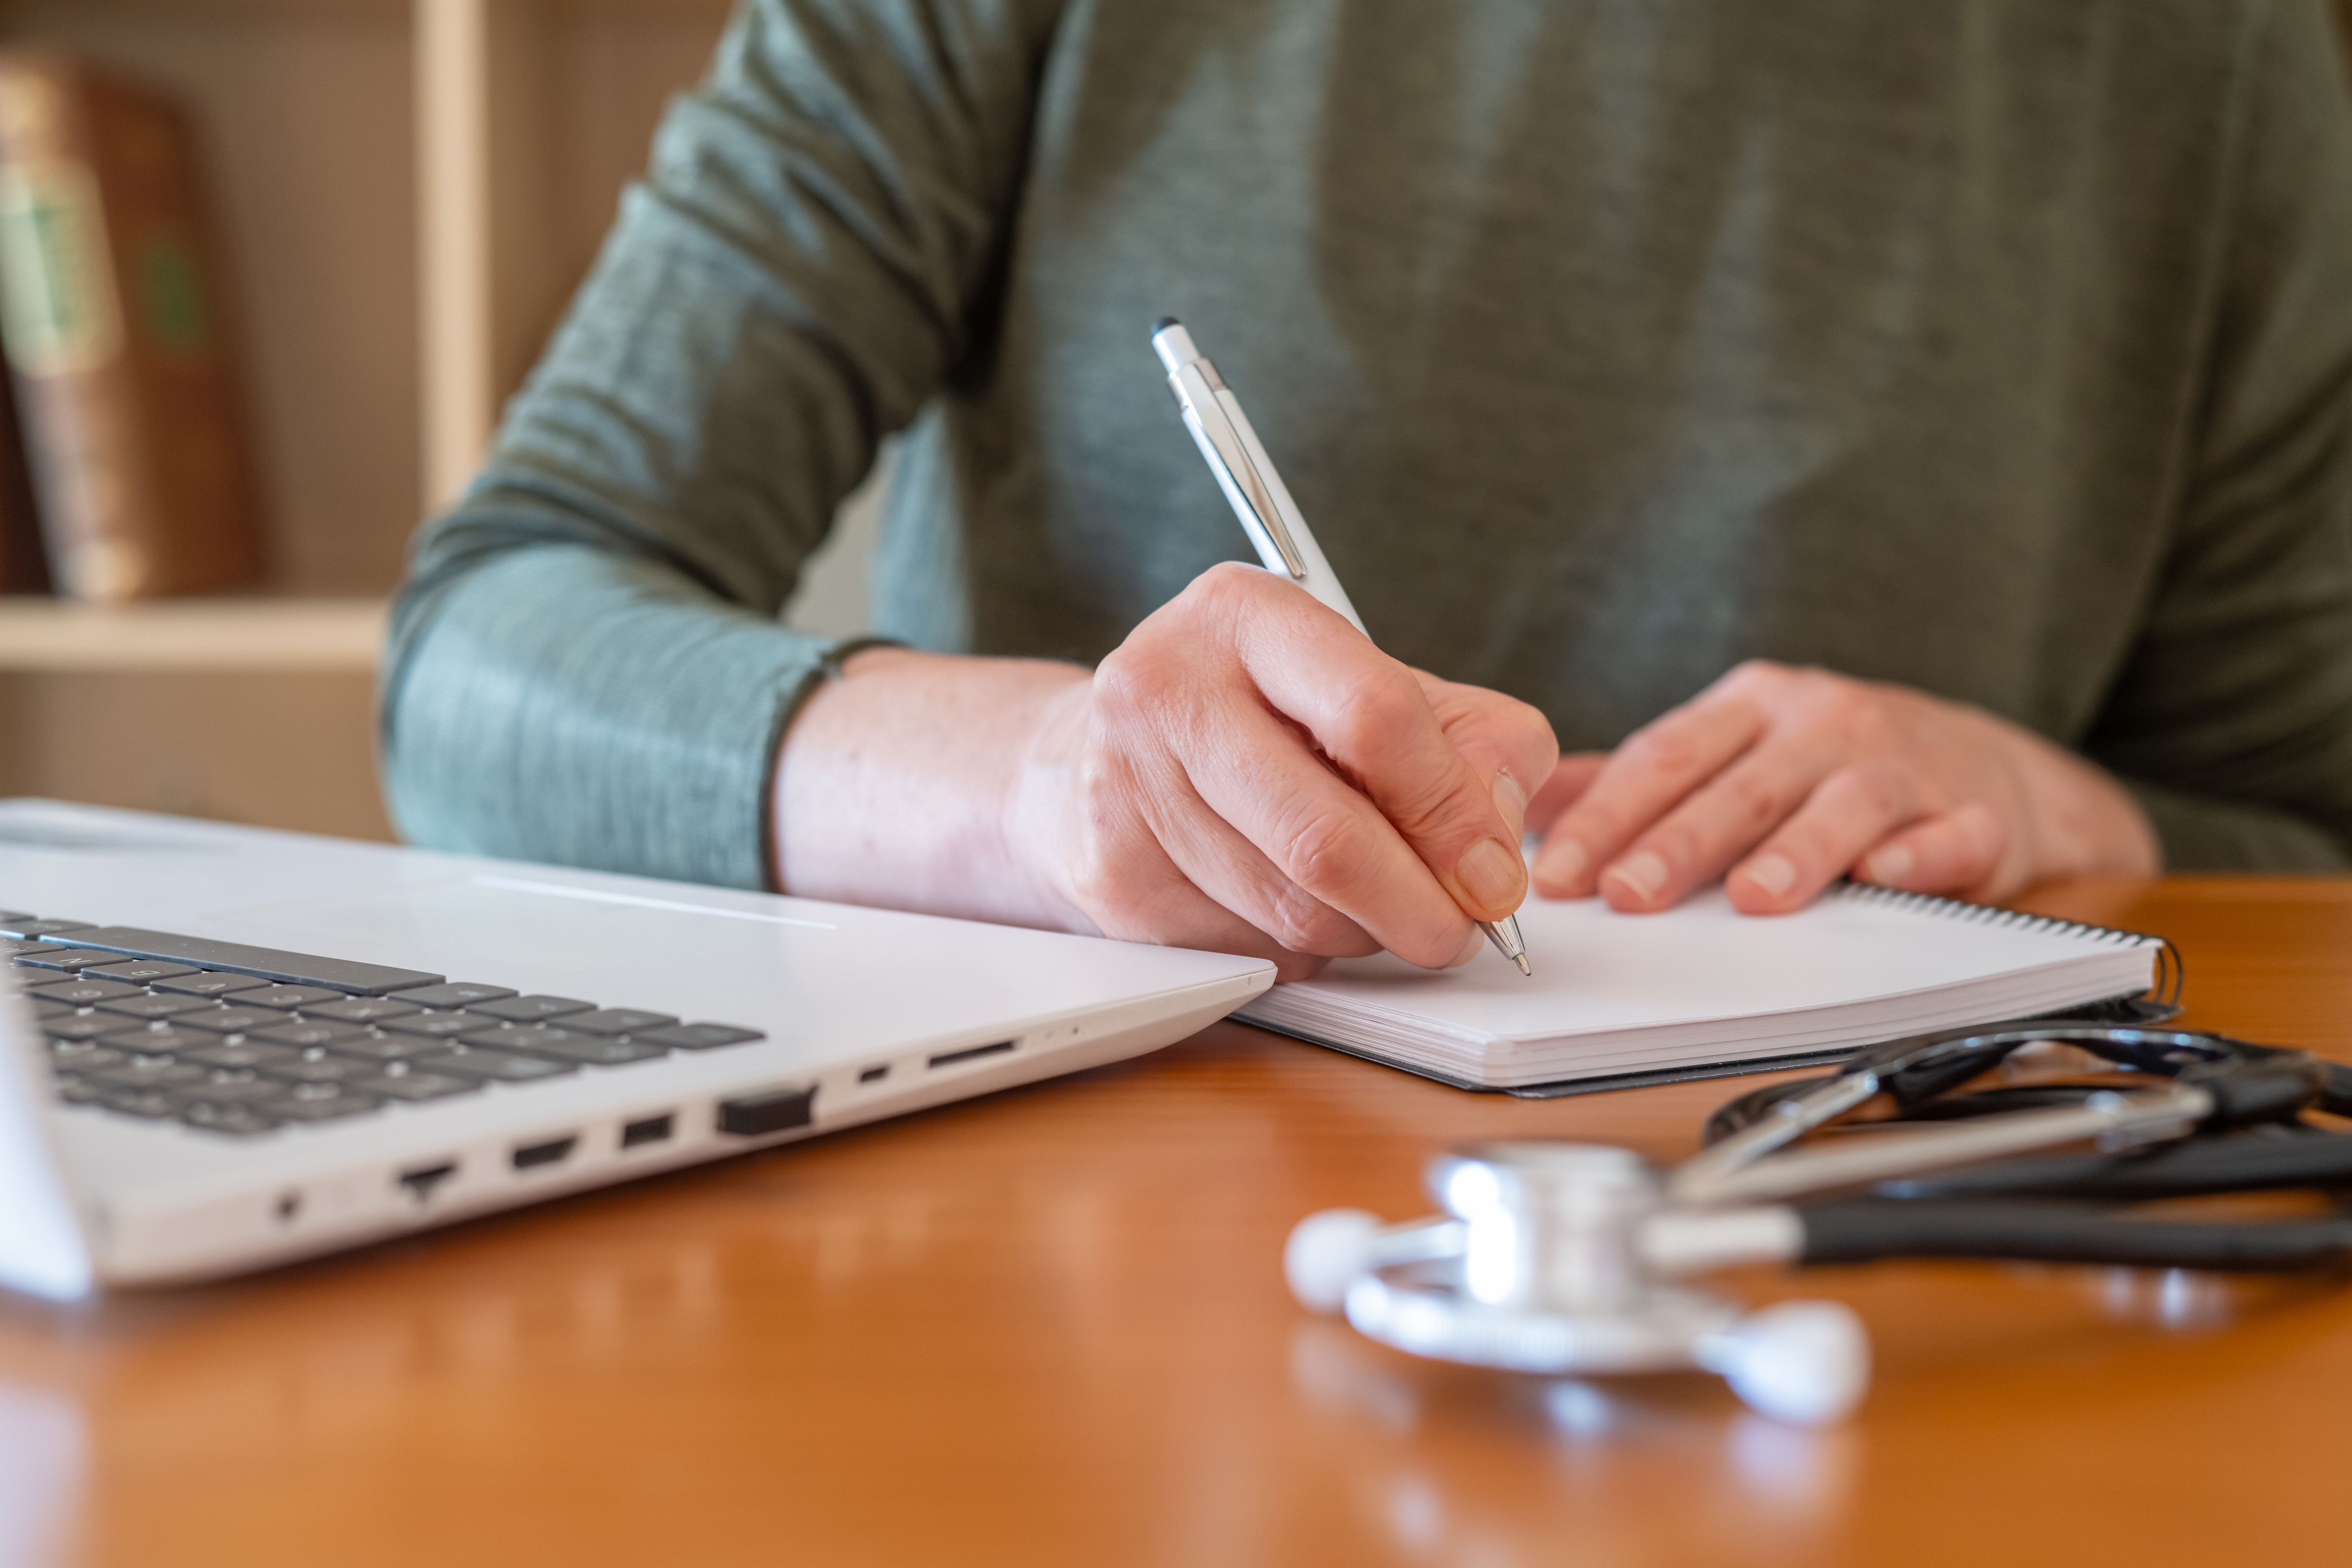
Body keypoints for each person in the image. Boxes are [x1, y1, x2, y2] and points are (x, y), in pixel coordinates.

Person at [383, 0, 2352, 982]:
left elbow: (2307, 840)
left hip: (1897, 1279)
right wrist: (1052, 790)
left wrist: (2058, 809)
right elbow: (480, 667)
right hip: (1065, 1280)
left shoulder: (2219, 62)